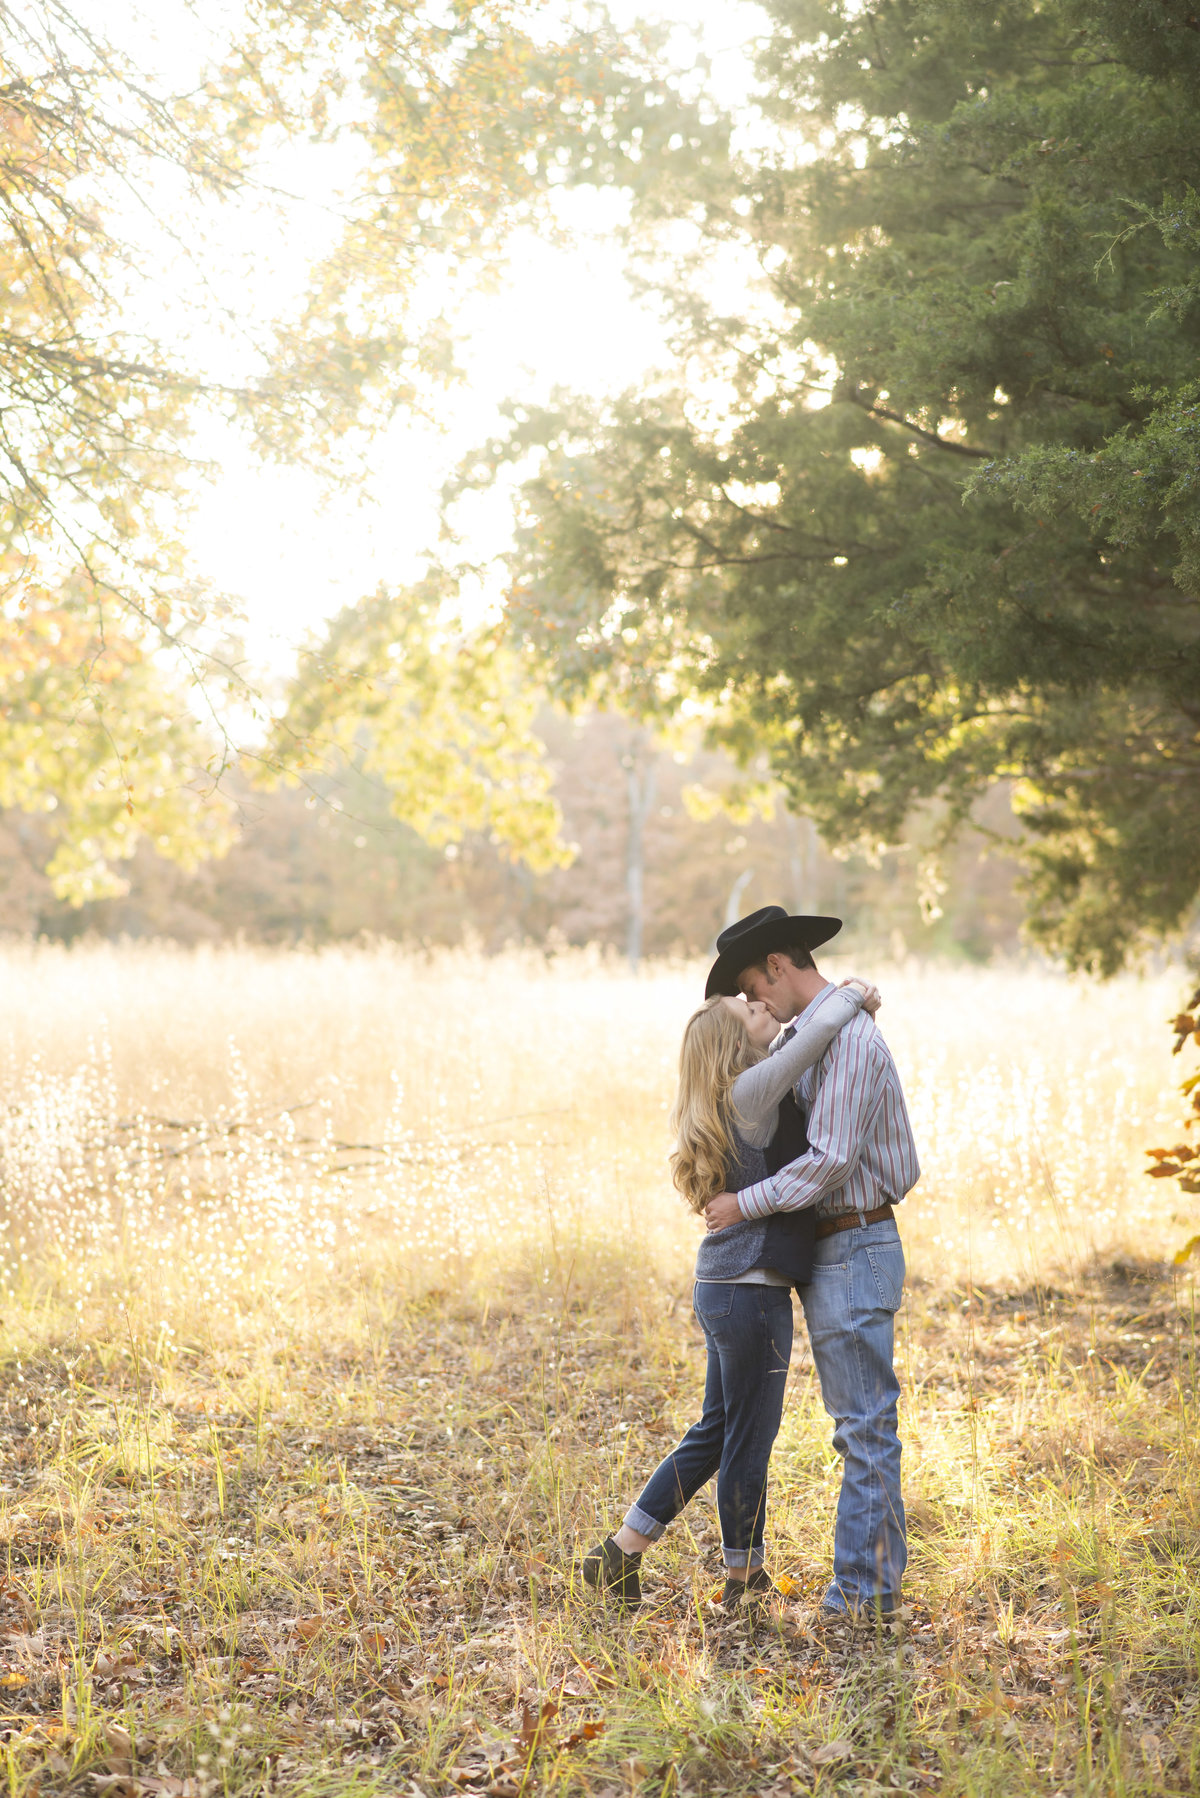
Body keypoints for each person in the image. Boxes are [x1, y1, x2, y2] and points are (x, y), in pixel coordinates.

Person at [582, 968, 880, 1611]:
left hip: (725, 1285)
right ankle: (743, 1582)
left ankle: (620, 1551)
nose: (755, 1006)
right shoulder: (749, 1091)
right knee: (747, 1439)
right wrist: (854, 994)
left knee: (718, 1431)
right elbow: (813, 1034)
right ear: (733, 1047)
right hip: (749, 1293)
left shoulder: (740, 1093)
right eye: (744, 1011)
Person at [703, 906, 920, 1621]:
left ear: (776, 966)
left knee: (864, 1426)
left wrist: (744, 1204)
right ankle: (865, 1590)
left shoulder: (850, 1040)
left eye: (751, 987)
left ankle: (864, 1596)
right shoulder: (812, 1037)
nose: (752, 1005)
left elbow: (829, 1159)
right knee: (853, 1425)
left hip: (854, 1240)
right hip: (829, 1247)